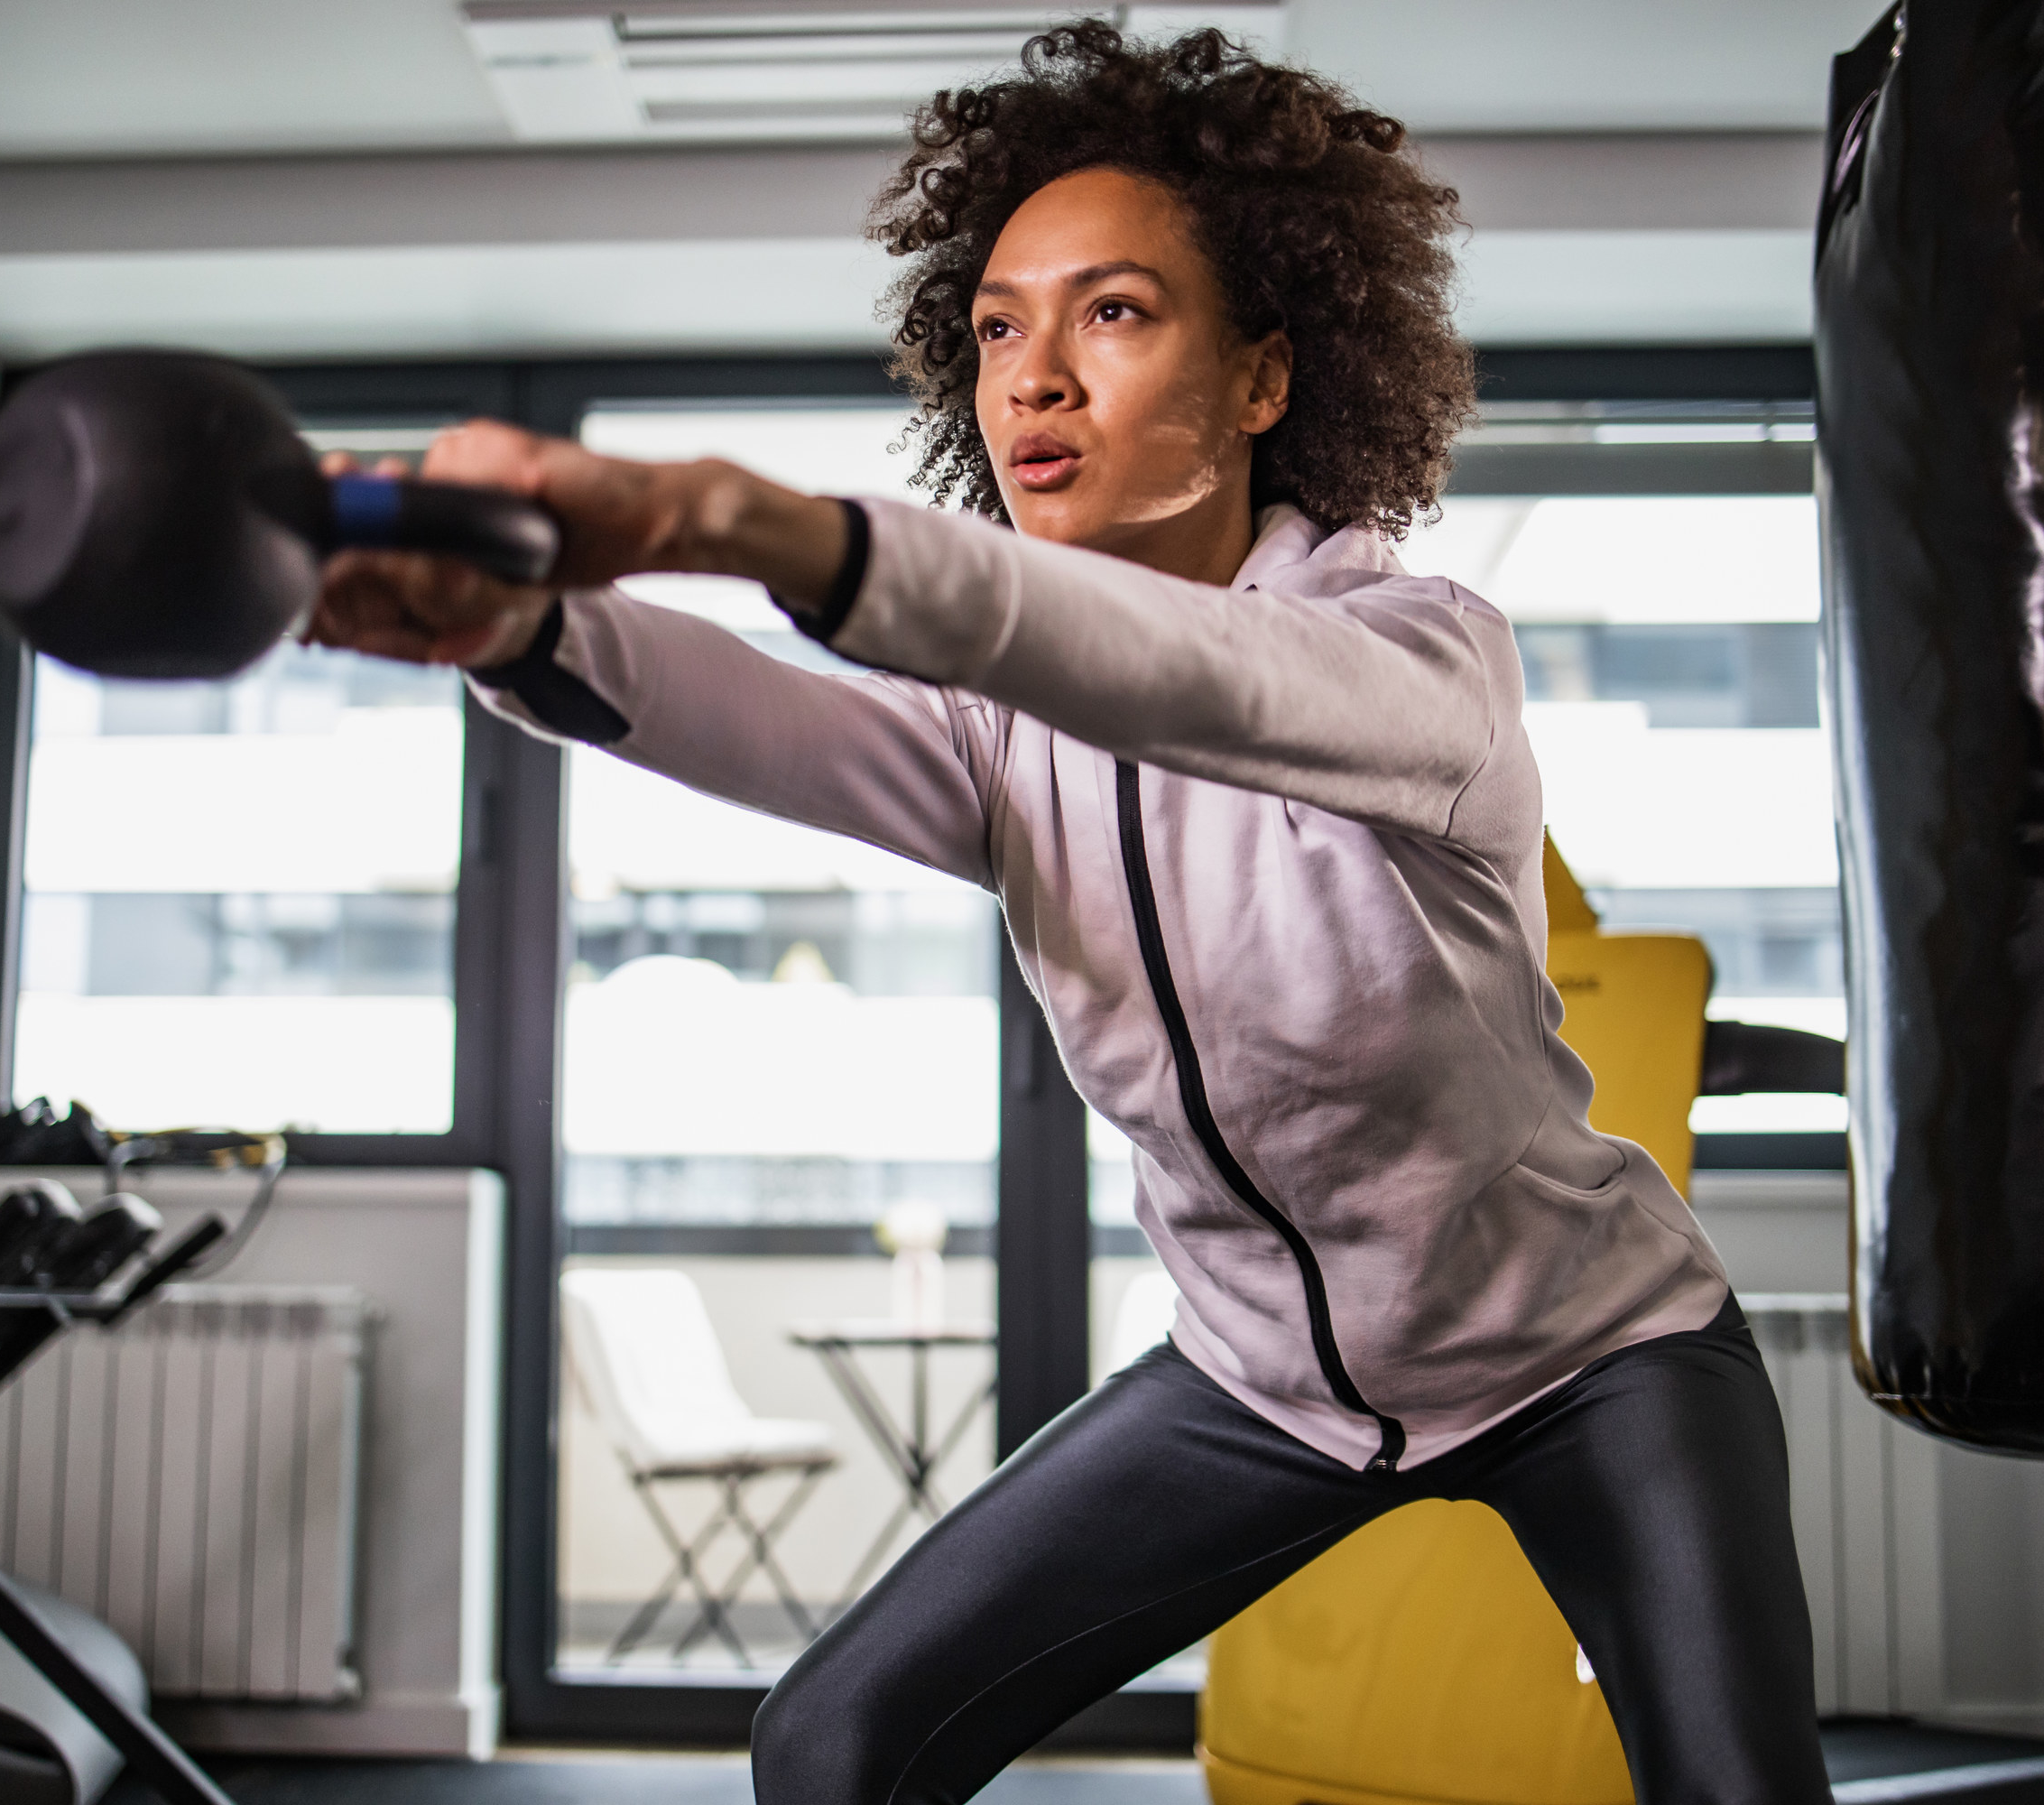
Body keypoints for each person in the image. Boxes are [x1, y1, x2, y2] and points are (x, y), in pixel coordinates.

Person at [315, 23, 1828, 1803]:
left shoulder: (1419, 661)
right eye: (998, 329)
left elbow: (1201, 678)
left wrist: (726, 516)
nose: (1032, 380)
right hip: (1261, 1386)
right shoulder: (999, 732)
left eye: (1112, 314)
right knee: (832, 1739)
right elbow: (748, 712)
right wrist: (512, 626)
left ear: (1265, 379)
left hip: (1592, 1350)